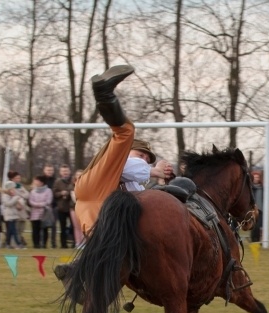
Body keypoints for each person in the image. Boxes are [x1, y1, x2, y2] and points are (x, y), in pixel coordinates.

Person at [73, 64, 169, 240]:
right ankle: (104, 94)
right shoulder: (125, 162)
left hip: (94, 200)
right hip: (98, 187)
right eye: (141, 155)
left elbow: (142, 197)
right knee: (125, 132)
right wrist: (155, 170)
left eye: (147, 159)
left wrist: (162, 182)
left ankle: (79, 266)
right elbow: (129, 167)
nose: (143, 160)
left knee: (100, 244)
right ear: (128, 151)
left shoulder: (137, 181)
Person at [52, 164, 75, 248]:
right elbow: (54, 193)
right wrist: (61, 193)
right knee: (62, 227)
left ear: (69, 171)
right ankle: (63, 244)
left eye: (66, 171)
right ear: (60, 172)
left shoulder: (73, 180)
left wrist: (68, 193)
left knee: (73, 226)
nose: (65, 173)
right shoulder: (57, 181)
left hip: (72, 207)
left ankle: (74, 242)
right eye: (63, 171)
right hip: (61, 207)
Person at [30, 175, 53, 248]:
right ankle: (36, 244)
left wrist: (40, 204)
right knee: (35, 229)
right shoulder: (33, 191)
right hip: (35, 214)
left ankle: (44, 244)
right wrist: (39, 204)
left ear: (42, 182)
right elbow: (31, 201)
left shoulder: (48, 191)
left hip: (45, 213)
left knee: (45, 229)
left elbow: (48, 201)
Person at [1, 181, 24, 248]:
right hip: (9, 216)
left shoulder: (14, 196)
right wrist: (15, 198)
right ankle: (18, 244)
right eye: (12, 189)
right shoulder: (5, 196)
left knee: (10, 231)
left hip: (14, 215)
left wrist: (19, 202)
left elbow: (20, 204)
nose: (14, 190)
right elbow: (8, 204)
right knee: (14, 230)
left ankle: (7, 244)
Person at [250, 169, 264, 243]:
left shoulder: (262, 188)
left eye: (257, 177)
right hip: (252, 209)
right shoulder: (250, 188)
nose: (256, 179)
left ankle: (258, 239)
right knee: (253, 225)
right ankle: (253, 239)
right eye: (255, 177)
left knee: (259, 226)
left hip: (260, 209)